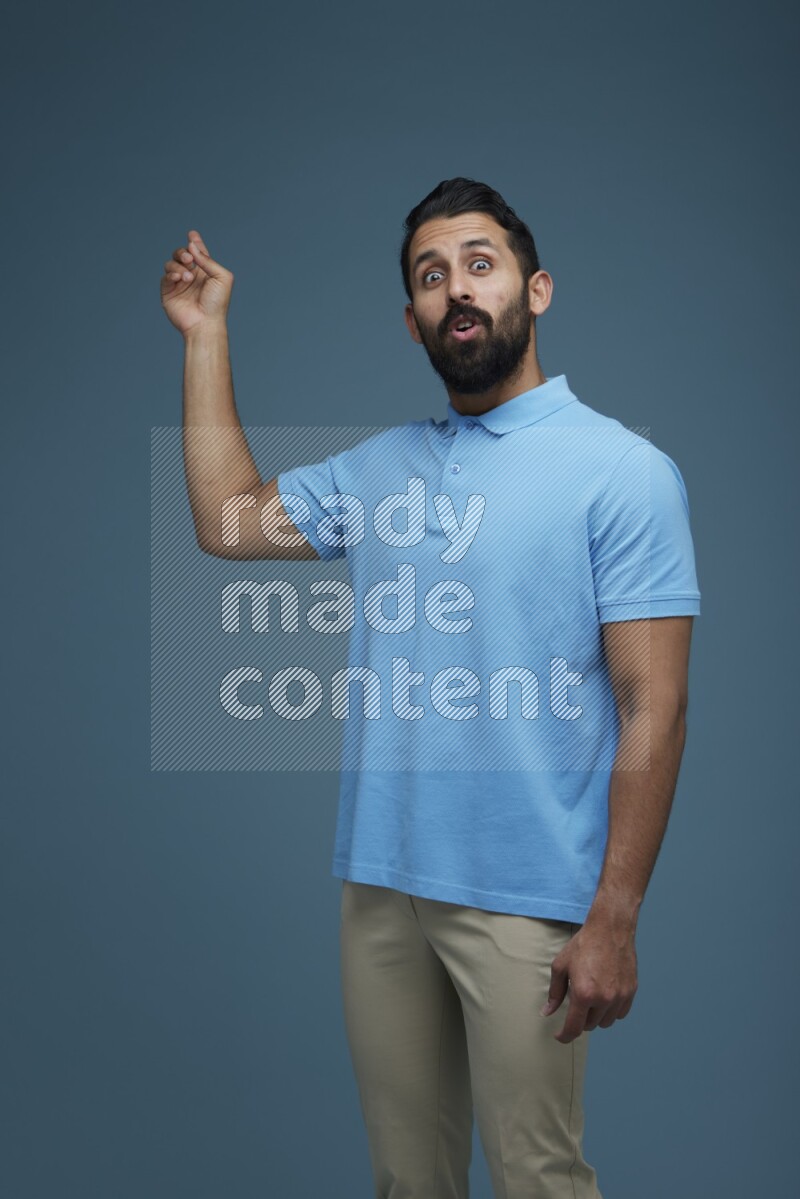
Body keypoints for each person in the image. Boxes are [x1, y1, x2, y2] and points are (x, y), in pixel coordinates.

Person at [160, 176, 700, 1198]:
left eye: (479, 264)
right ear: (410, 321)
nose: (456, 288)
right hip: (381, 891)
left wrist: (613, 917)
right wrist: (203, 332)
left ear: (534, 291)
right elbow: (226, 521)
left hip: (528, 903)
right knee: (408, 1181)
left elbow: (653, 707)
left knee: (537, 1176)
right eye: (430, 275)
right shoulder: (380, 469)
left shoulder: (621, 472)